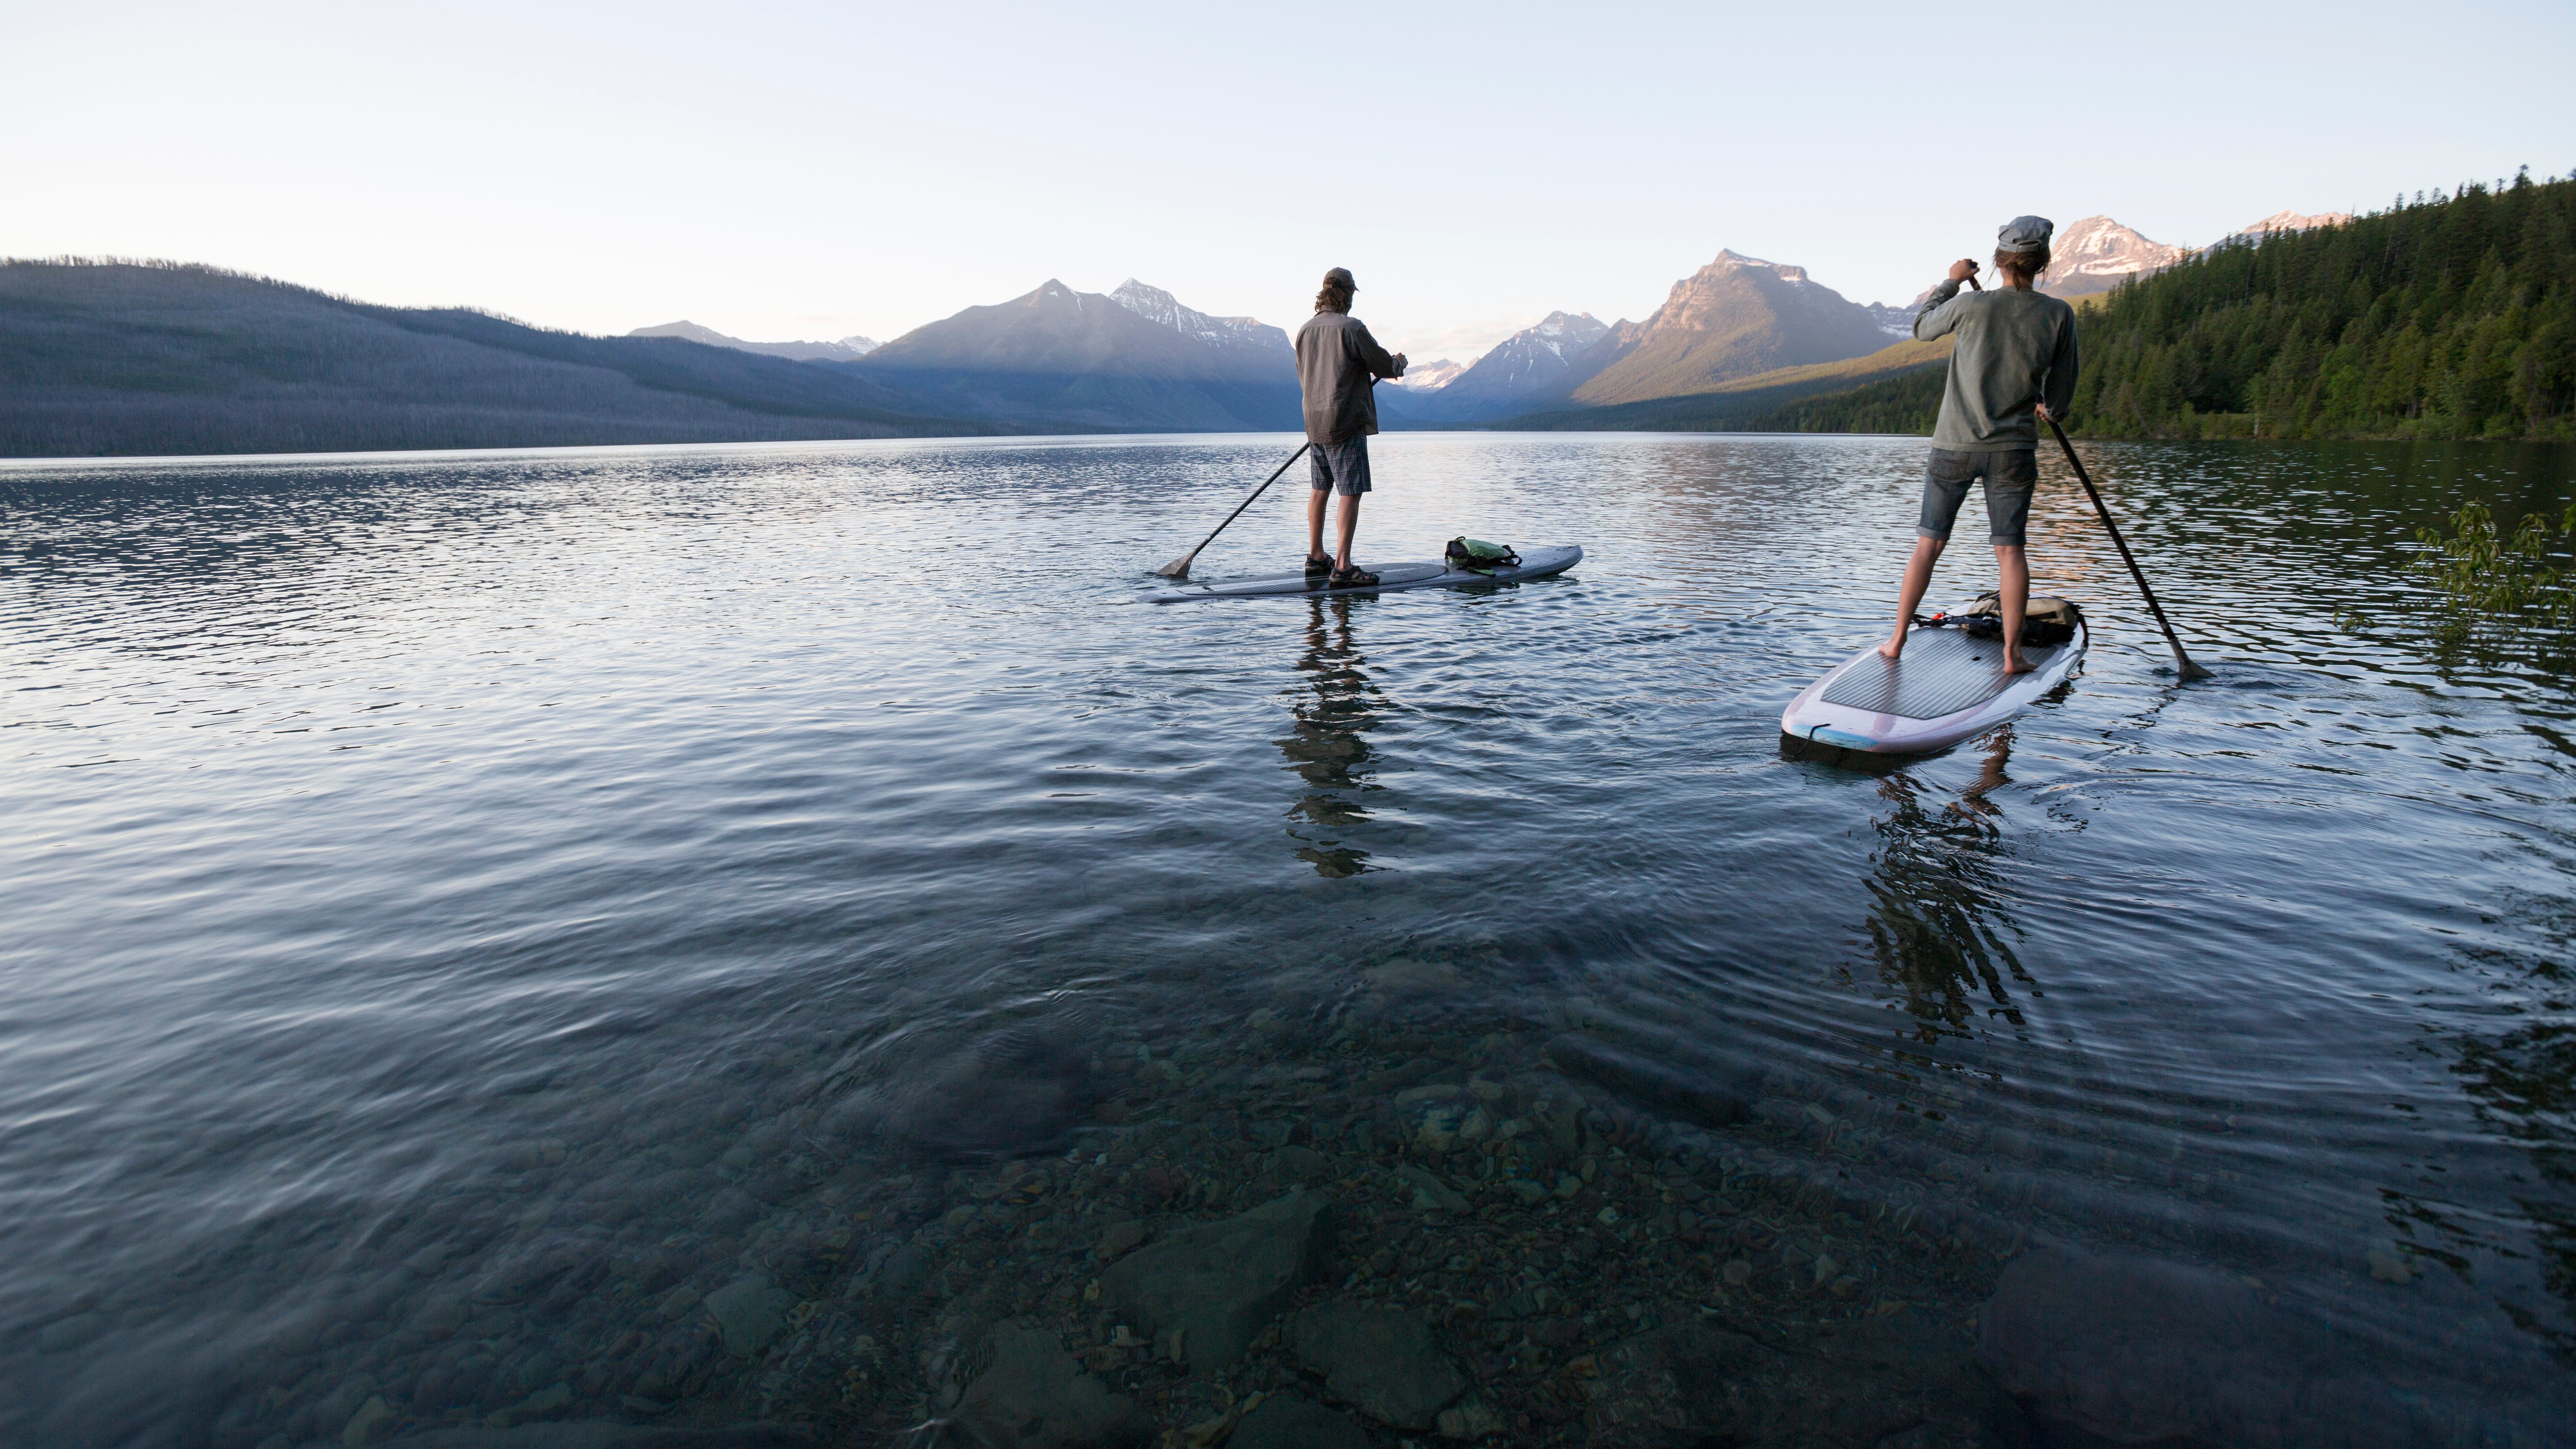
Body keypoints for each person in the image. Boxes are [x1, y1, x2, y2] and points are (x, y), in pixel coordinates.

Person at [1881, 216, 2079, 673]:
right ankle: (2012, 656)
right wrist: (2050, 408)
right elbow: (2062, 390)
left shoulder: (1971, 304)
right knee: (2010, 552)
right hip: (2013, 452)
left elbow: (1922, 328)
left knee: (1929, 545)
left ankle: (1895, 642)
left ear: (1999, 260)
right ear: (2043, 262)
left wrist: (1951, 282)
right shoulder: (2058, 314)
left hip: (1954, 446)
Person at [1294, 267, 1406, 587]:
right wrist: (1399, 363)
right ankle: (1342, 567)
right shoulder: (1352, 328)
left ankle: (1316, 557)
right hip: (1344, 421)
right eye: (1352, 294)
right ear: (1345, 294)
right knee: (1350, 491)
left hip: (1314, 422)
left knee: (1320, 489)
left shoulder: (1304, 331)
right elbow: (1384, 366)